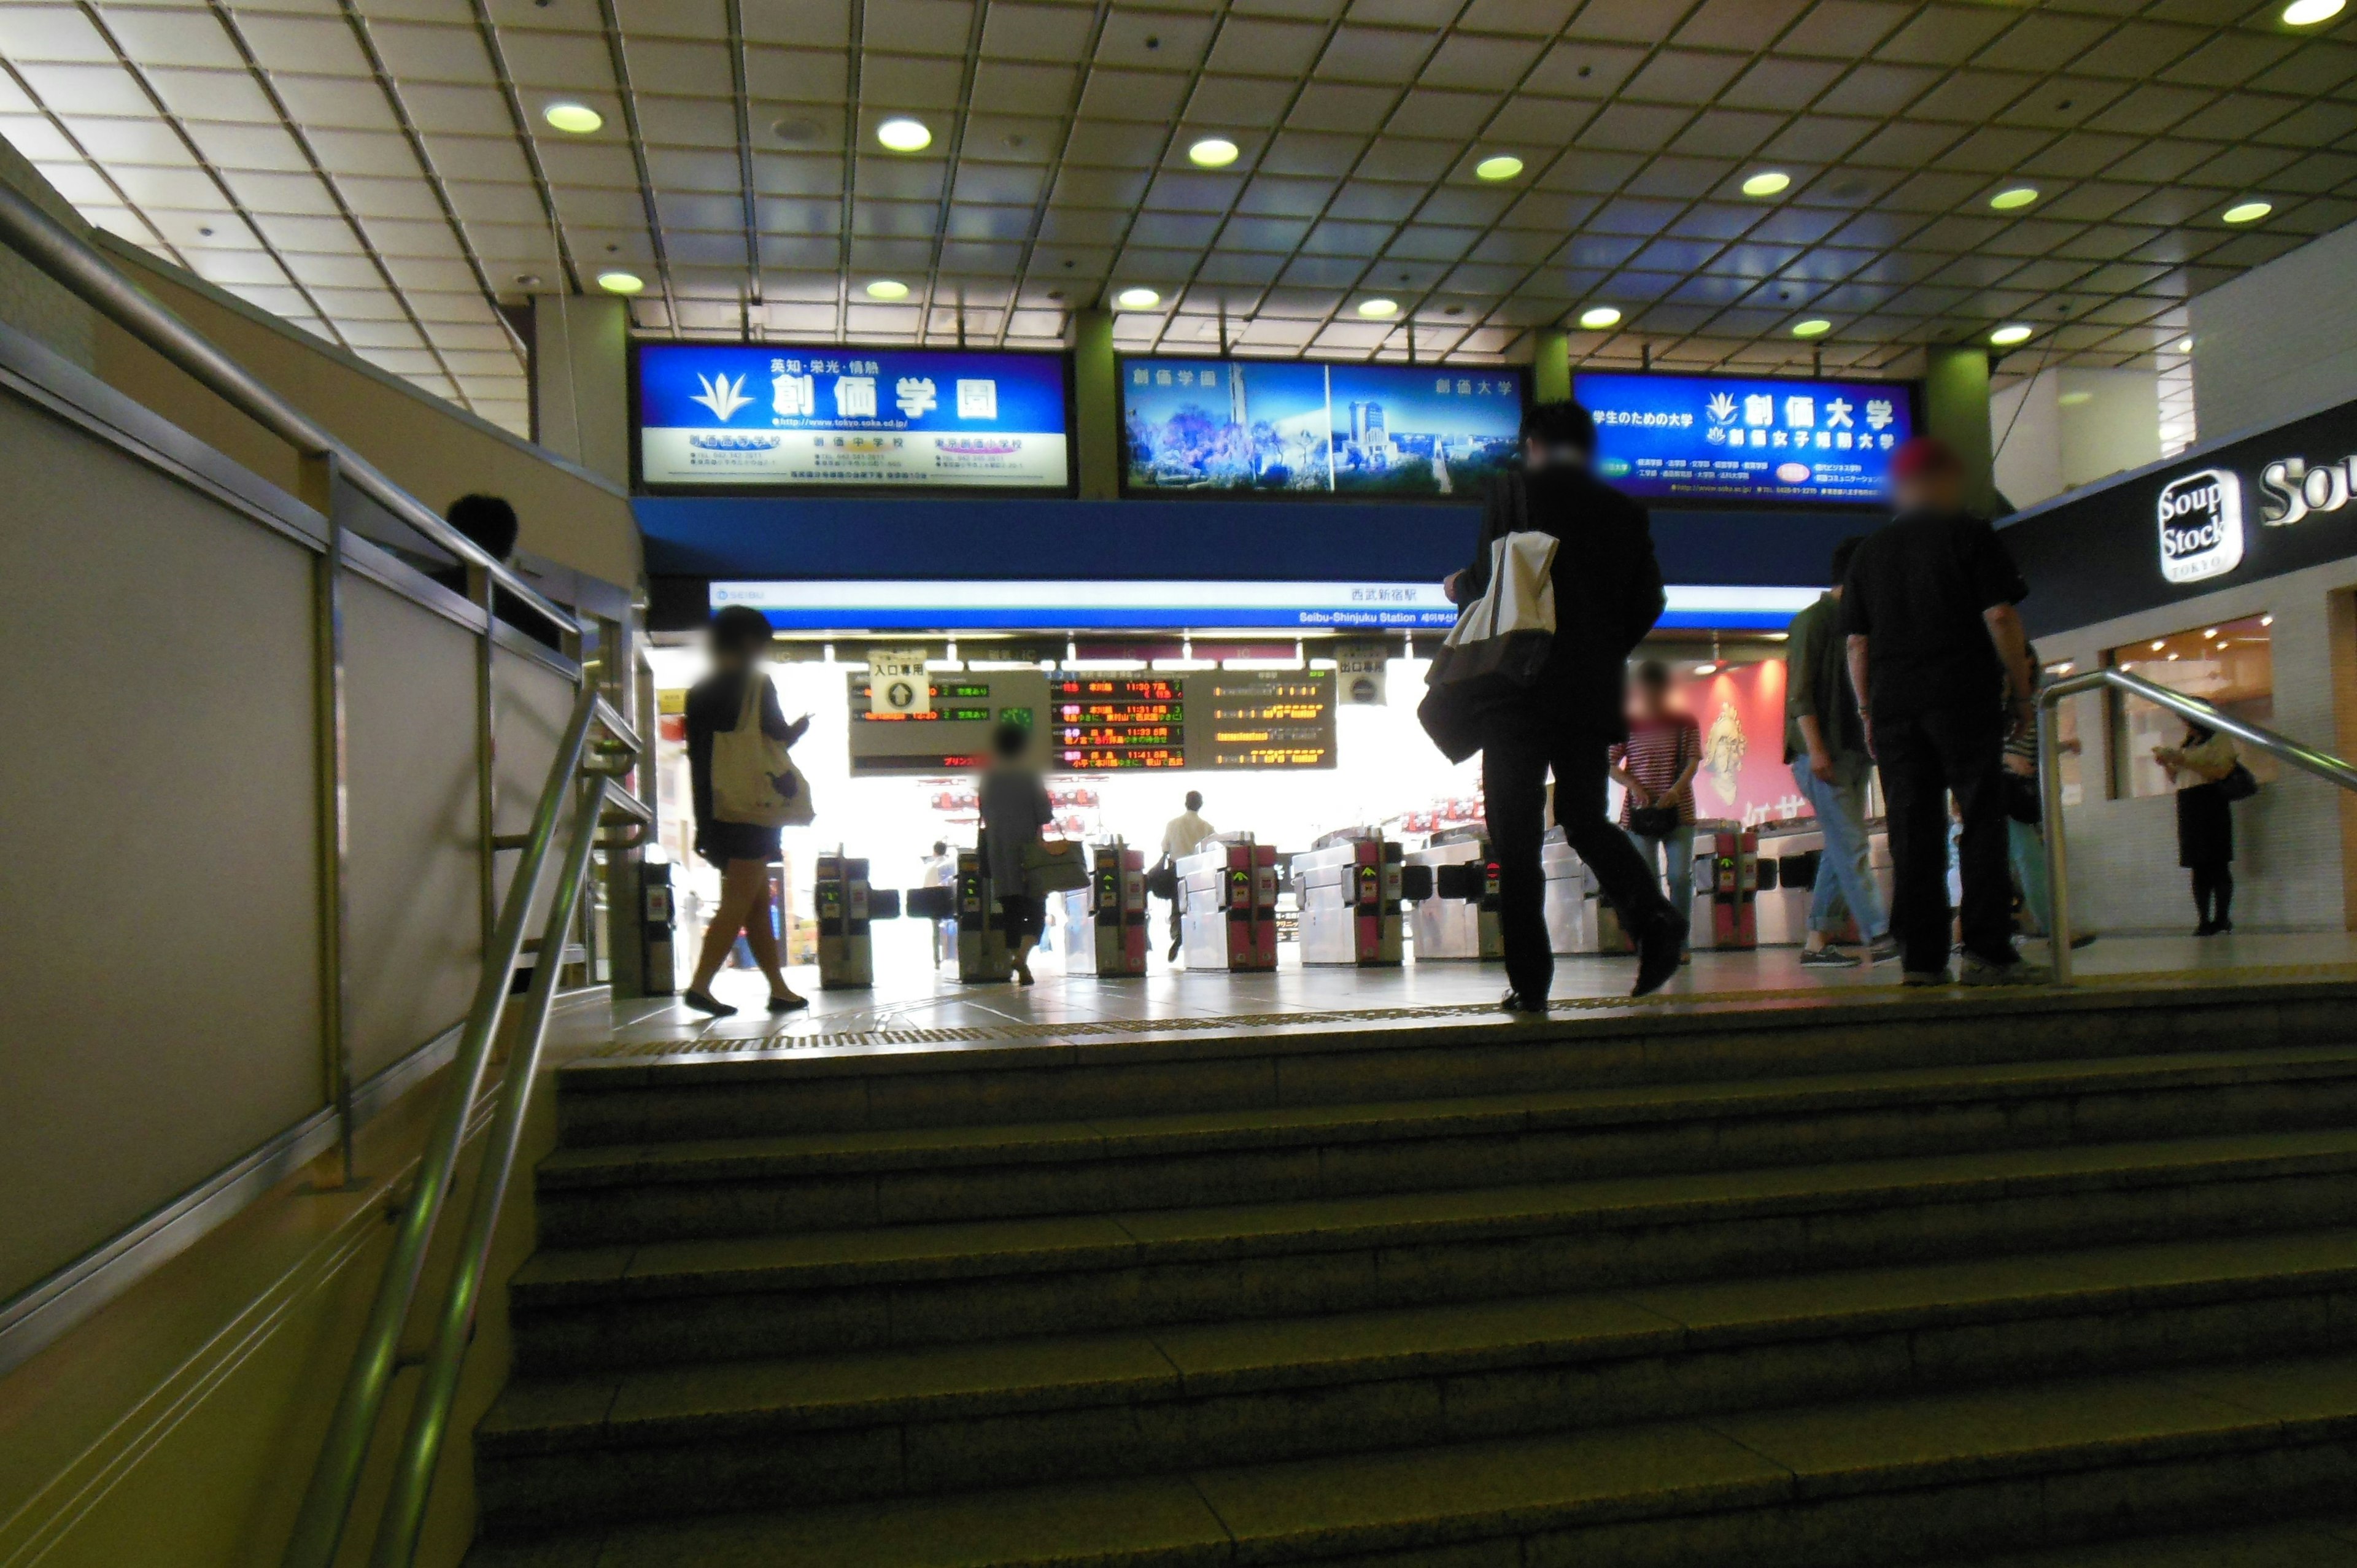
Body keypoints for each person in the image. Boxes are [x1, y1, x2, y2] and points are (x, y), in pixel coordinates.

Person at [1443, 400, 1683, 1008]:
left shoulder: (1512, 491)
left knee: (1516, 838)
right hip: (1586, 693)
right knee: (1585, 818)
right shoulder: (1625, 510)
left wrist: (1455, 586)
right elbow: (1650, 599)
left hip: (1516, 692)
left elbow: (1489, 581)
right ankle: (1653, 915)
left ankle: (1531, 983)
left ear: (1533, 445)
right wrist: (1600, 650)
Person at [1842, 437, 2047, 987]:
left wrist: (1867, 710)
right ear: (1943, 481)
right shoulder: (1970, 534)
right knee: (1980, 818)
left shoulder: (1868, 552)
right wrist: (2022, 693)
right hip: (1963, 698)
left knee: (1913, 830)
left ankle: (1922, 960)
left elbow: (1857, 644)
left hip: (1894, 709)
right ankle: (1986, 950)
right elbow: (2001, 616)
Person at [682, 604, 810, 1017]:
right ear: (750, 641)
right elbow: (775, 740)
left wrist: (704, 821)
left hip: (716, 806)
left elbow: (700, 758)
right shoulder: (757, 684)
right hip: (752, 809)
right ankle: (700, 985)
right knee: (740, 899)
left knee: (755, 902)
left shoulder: (700, 690)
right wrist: (800, 728)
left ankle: (779, 988)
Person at [1782, 536, 1895, 968]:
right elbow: (1800, 695)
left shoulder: (1861, 621)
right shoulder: (1813, 621)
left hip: (1852, 751)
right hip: (1821, 752)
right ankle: (1880, 935)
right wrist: (1816, 750)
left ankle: (1817, 941)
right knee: (1851, 845)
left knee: (1842, 844)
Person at [1609, 662, 1701, 961]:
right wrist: (1634, 785)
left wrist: (1676, 790)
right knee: (1648, 883)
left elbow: (1692, 761)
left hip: (1679, 812)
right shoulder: (1628, 725)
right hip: (1639, 814)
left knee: (1680, 877)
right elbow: (1609, 763)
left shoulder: (1683, 721)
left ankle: (1680, 942)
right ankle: (1656, 942)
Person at [978, 720, 1053, 984]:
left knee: (1010, 913)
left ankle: (1016, 957)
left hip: (1000, 857)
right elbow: (1044, 814)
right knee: (1036, 911)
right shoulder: (1029, 775)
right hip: (1029, 858)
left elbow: (986, 815)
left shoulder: (988, 780)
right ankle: (1022, 956)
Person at [2157, 719, 2240, 935]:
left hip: (2211, 798)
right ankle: (2204, 919)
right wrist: (2167, 763)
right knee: (2198, 865)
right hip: (2188, 801)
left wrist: (2183, 759)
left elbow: (2221, 771)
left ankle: (2222, 917)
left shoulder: (2219, 740)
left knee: (2218, 862)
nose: (2186, 726)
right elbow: (2176, 777)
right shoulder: (2188, 743)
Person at [1159, 790, 1216, 959]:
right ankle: (1198, 938)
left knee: (1178, 904)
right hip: (1199, 873)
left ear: (1186, 804)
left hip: (1178, 871)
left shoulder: (1173, 824)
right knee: (1198, 905)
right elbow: (1213, 849)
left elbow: (1165, 847)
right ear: (1200, 805)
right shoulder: (1207, 827)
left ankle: (1178, 935)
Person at [921, 840, 959, 965]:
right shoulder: (952, 865)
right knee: (952, 929)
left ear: (934, 851)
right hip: (951, 902)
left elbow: (926, 887)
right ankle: (953, 956)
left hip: (935, 903)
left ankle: (937, 960)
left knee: (936, 933)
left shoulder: (931, 868)